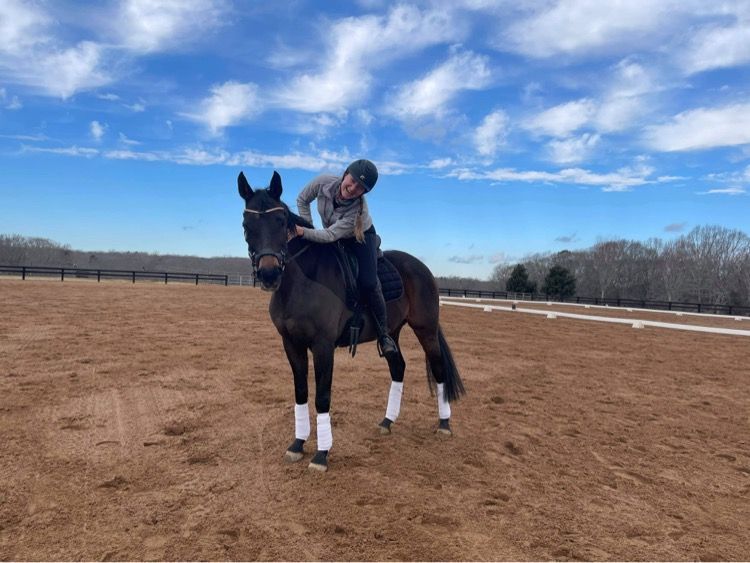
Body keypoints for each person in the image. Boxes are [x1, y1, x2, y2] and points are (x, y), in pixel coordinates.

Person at [294, 159, 399, 360]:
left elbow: (331, 236)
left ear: (363, 193)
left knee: (368, 281)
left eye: (360, 188)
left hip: (360, 236)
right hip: (330, 230)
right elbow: (301, 200)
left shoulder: (357, 211)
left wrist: (302, 232)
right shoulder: (322, 182)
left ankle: (384, 334)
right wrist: (308, 225)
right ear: (345, 174)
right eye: (352, 181)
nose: (352, 188)